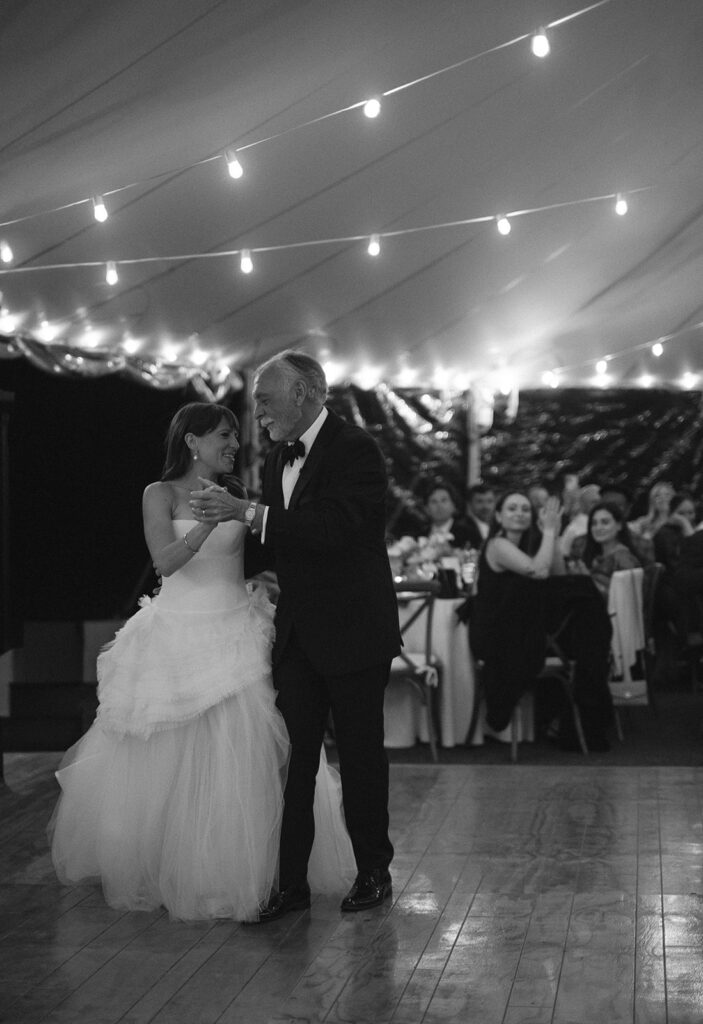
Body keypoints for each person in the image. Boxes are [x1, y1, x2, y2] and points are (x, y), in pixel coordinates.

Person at [49, 402, 355, 921]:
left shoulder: (236, 493)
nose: (234, 444)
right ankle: (170, 867)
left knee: (251, 751)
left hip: (237, 631)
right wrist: (206, 525)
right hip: (177, 635)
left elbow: (259, 551)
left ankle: (248, 869)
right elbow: (164, 562)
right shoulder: (160, 493)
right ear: (191, 441)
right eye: (223, 435)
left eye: (236, 436)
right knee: (169, 759)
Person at [190, 351, 401, 922]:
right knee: (292, 760)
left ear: (304, 392)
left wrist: (251, 513)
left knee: (359, 757)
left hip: (355, 631)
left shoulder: (356, 449)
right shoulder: (279, 456)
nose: (256, 411)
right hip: (298, 637)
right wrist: (206, 534)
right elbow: (272, 543)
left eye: (265, 397)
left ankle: (373, 871)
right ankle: (291, 884)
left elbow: (334, 529)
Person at [470, 490, 614, 750]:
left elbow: (557, 574)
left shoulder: (532, 543)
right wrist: (547, 533)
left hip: (523, 629)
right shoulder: (498, 544)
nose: (520, 513)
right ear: (499, 516)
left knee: (584, 616)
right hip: (498, 634)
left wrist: (553, 534)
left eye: (525, 509)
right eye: (512, 508)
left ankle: (578, 709)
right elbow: (538, 572)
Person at [571, 501, 643, 600]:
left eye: (605, 522)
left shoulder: (625, 559)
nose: (598, 528)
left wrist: (586, 580)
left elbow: (625, 601)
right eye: (594, 523)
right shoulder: (595, 558)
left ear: (619, 525)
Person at [418, 481, 474, 549]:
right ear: (426, 508)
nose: (439, 506)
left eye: (444, 500)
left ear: (454, 505)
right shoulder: (419, 535)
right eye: (434, 501)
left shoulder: (468, 534)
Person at [464, 482, 497, 549]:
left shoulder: (502, 526)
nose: (485, 506)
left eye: (490, 501)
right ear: (469, 504)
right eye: (480, 501)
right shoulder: (461, 529)